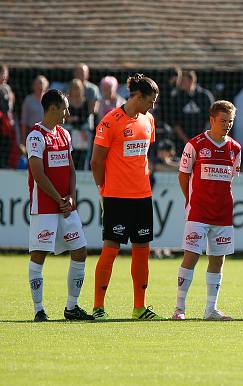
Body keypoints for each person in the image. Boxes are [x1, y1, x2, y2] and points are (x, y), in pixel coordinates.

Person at [90, 74, 161, 320]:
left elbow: (144, 156)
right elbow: (96, 161)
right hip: (116, 197)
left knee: (143, 251)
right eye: (150, 101)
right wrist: (102, 189)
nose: (152, 106)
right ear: (138, 97)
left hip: (143, 196)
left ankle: (139, 308)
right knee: (111, 249)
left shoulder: (149, 120)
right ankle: (98, 307)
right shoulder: (110, 122)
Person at [25, 89, 94, 322]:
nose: (67, 112)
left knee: (80, 250)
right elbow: (38, 173)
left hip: (67, 206)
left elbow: (71, 169)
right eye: (64, 107)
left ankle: (72, 307)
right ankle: (39, 309)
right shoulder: (35, 136)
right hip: (45, 207)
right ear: (53, 108)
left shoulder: (64, 134)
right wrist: (59, 199)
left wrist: (71, 198)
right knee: (39, 255)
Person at [172, 100, 241, 321]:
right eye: (223, 121)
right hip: (199, 212)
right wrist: (191, 199)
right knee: (191, 257)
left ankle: (211, 309)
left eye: (230, 121)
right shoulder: (195, 144)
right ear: (212, 119)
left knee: (217, 260)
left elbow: (230, 179)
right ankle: (179, 308)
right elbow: (183, 176)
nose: (227, 125)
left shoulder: (235, 149)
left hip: (223, 214)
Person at [170, 70, 215, 145]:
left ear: (191, 80)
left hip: (203, 140)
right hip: (182, 142)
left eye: (183, 80)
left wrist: (202, 138)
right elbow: (175, 122)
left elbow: (211, 119)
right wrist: (186, 140)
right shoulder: (177, 97)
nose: (180, 82)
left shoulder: (205, 96)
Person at [64, 79, 94, 170]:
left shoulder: (86, 103)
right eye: (74, 88)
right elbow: (65, 118)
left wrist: (81, 127)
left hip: (82, 132)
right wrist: (71, 120)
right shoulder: (66, 103)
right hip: (69, 132)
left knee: (83, 157)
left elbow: (86, 118)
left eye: (78, 88)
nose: (76, 90)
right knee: (71, 157)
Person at [0, 64, 18, 168]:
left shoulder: (7, 88)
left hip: (7, 125)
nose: (4, 77)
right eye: (2, 74)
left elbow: (10, 106)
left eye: (6, 74)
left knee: (7, 150)